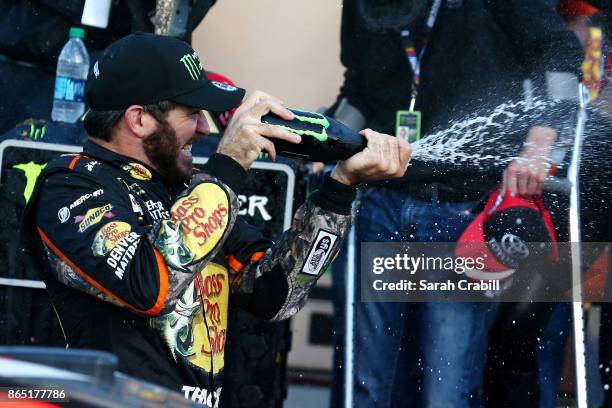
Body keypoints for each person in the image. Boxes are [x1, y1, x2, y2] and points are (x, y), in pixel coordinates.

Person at [20, 32, 411, 407]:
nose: (206, 129)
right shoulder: (70, 186)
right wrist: (228, 166)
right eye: (192, 114)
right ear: (138, 120)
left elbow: (277, 296)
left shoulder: (187, 190)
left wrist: (340, 188)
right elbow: (149, 284)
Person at [328, 0, 584, 407]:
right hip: (379, 205)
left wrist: (540, 147)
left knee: (444, 391)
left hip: (460, 211)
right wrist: (322, 148)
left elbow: (559, 52)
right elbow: (360, 87)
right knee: (365, 384)